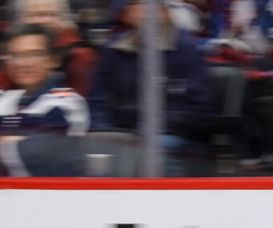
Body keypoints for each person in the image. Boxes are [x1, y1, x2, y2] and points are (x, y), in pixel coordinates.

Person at [89, 0, 213, 176]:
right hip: (121, 132)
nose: (144, 11)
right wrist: (102, 129)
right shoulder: (113, 50)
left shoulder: (186, 51)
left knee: (155, 149)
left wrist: (146, 129)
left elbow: (199, 109)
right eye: (137, 5)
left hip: (171, 135)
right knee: (93, 146)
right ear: (126, 14)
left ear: (164, 11)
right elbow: (97, 100)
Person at [0, 23, 89, 175]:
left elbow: (42, 153)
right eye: (15, 56)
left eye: (34, 54)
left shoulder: (67, 100)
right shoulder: (5, 98)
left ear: (53, 60)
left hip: (53, 194)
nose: (23, 63)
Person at [0, 0, 98, 97]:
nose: (45, 20)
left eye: (52, 15)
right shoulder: (11, 47)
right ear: (20, 20)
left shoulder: (80, 55)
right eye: (36, 15)